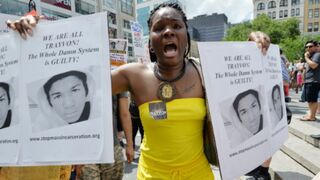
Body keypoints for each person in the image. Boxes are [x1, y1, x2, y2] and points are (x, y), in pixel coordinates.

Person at [6, 2, 270, 179]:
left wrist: (252, 49)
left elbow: (246, 83)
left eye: (176, 26)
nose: (168, 32)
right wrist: (32, 36)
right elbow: (68, 78)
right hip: (150, 175)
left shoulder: (206, 71)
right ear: (151, 42)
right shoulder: (133, 74)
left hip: (198, 174)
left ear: (185, 35)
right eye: (159, 28)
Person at [77, 92, 134, 180]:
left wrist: (129, 145)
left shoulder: (117, 79)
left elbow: (125, 113)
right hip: (85, 148)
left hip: (112, 147)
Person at [300, 40, 320, 121]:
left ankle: (312, 116)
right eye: (307, 47)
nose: (308, 48)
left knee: (312, 100)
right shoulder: (311, 56)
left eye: (310, 46)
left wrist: (306, 57)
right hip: (309, 80)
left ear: (315, 47)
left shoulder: (317, 55)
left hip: (314, 81)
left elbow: (314, 65)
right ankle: (311, 115)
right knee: (310, 99)